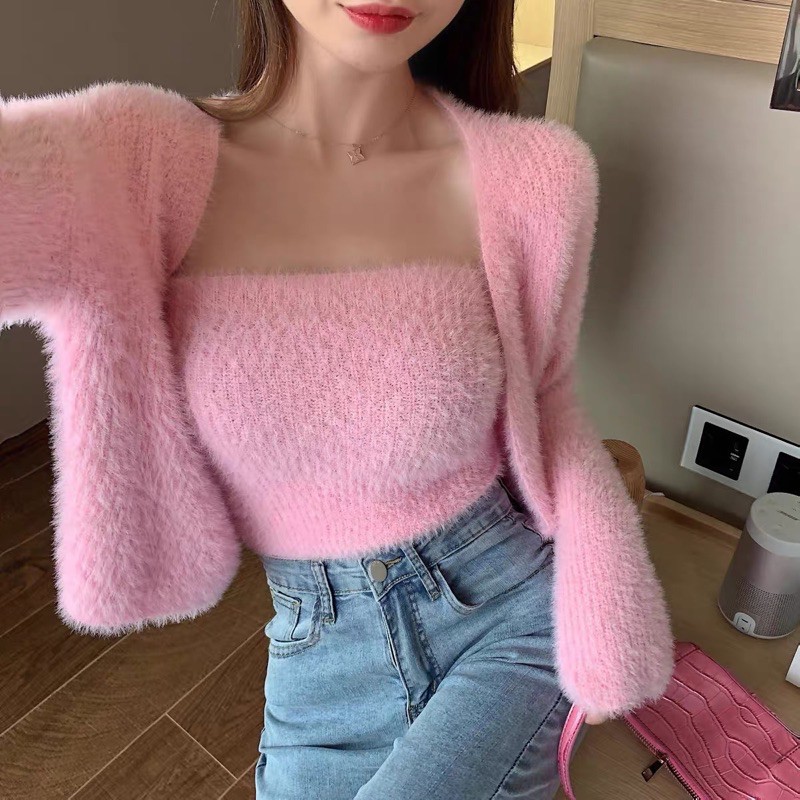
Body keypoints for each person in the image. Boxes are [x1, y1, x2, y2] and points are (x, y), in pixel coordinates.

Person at [0, 1, 675, 798]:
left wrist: (610, 604)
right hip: (314, 646)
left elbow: (550, 400)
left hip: (509, 613)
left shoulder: (538, 176)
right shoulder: (132, 158)